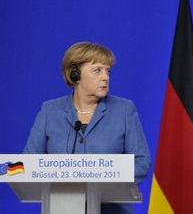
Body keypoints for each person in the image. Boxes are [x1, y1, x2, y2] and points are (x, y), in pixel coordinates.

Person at [23, 42, 152, 214]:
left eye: (108, 71)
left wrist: (107, 180)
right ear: (75, 74)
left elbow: (142, 162)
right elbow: (28, 163)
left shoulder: (124, 110)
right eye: (97, 70)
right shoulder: (50, 111)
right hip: (61, 208)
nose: (105, 77)